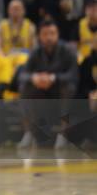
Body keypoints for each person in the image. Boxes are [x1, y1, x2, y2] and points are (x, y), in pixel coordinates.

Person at [18, 20, 78, 149]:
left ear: (57, 34)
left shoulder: (67, 50)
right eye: (45, 34)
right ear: (39, 36)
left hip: (60, 89)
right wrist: (34, 78)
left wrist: (53, 78)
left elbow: (73, 75)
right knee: (24, 87)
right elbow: (22, 74)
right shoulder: (35, 52)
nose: (49, 37)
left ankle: (63, 133)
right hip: (42, 90)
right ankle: (29, 132)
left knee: (68, 87)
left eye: (52, 33)